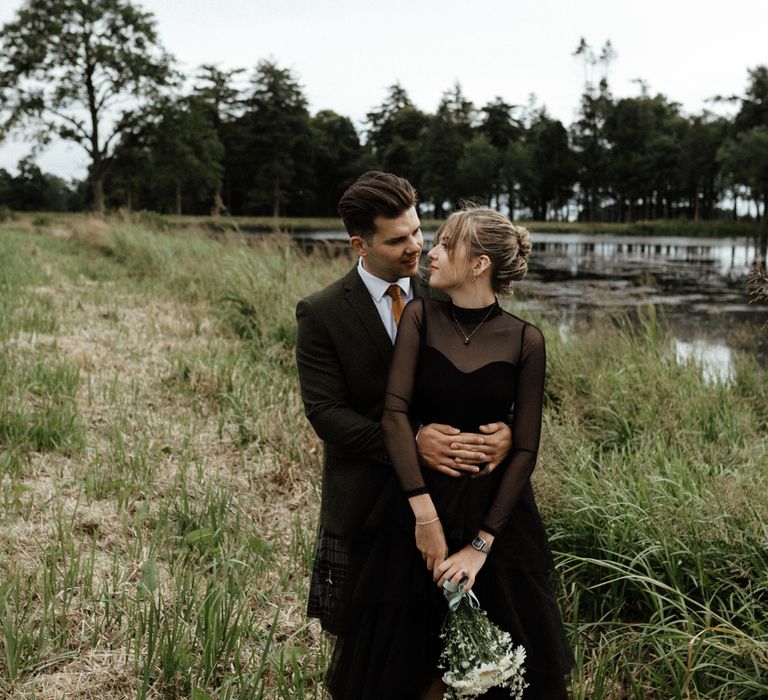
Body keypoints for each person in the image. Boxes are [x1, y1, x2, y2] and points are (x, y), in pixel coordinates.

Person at [327, 208, 573, 699]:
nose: (429, 253)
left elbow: (525, 449)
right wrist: (425, 516)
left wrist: (480, 547)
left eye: (444, 245)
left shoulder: (527, 340)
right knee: (407, 666)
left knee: (498, 671)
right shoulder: (420, 316)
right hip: (416, 510)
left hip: (495, 518)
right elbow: (394, 415)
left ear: (479, 265)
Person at [295, 173, 513, 637]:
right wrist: (411, 442)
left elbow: (491, 377)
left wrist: (506, 429)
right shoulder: (322, 312)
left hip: (451, 498)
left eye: (418, 230)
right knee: (360, 646)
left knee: (439, 640)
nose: (416, 246)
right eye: (398, 240)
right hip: (364, 498)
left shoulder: (448, 292)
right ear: (360, 244)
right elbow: (325, 413)